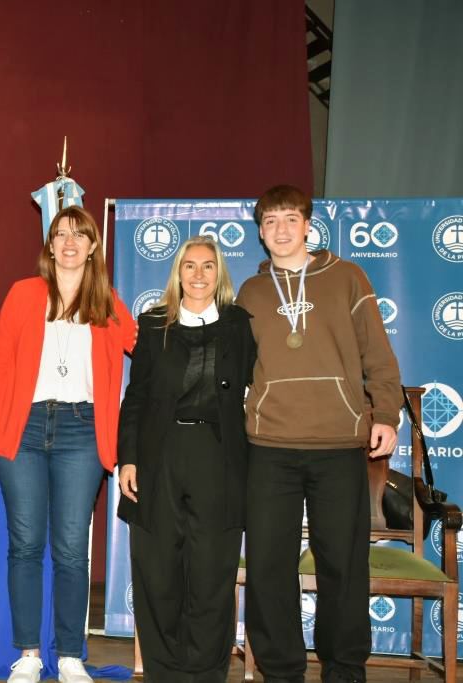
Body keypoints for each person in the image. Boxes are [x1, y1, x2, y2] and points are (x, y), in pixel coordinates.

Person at [238, 185, 401, 683]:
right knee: (267, 567)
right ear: (260, 232)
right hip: (269, 446)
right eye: (269, 222)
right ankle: (282, 670)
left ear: (308, 224)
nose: (280, 230)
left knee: (343, 565)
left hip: (337, 444)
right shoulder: (251, 292)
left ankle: (344, 669)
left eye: (290, 219)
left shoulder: (348, 277)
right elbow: (236, 369)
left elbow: (377, 354)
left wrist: (387, 414)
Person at [0, 205, 136, 683]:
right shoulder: (24, 294)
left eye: (79, 235)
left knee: (70, 549)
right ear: (49, 246)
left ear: (92, 248)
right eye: (61, 234)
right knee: (24, 544)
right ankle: (28, 655)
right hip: (21, 428)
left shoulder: (106, 300)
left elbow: (147, 345)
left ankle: (70, 655)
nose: (69, 242)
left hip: (82, 431)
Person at [116, 236, 255, 682]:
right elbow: (135, 398)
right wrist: (129, 458)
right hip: (160, 459)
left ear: (220, 274)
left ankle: (206, 673)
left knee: (213, 572)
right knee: (157, 572)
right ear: (177, 273)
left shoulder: (239, 325)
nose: (198, 275)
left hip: (219, 458)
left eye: (208, 267)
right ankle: (163, 672)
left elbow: (258, 392)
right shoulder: (154, 324)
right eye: (189, 266)